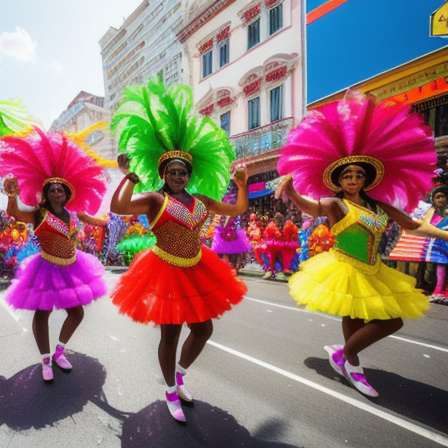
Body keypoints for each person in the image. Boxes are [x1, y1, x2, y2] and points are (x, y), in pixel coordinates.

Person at [275, 89, 447, 397]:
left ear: (366, 179)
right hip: (345, 267)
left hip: (374, 270)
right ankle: (346, 356)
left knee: (360, 317)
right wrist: (292, 189)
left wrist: (446, 234)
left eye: (358, 175)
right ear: (338, 181)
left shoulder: (379, 206)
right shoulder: (336, 204)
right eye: (347, 175)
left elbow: (412, 224)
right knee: (389, 321)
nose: (352, 179)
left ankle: (347, 359)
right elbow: (310, 207)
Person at [109, 77, 248, 423]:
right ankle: (170, 390)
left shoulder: (200, 199)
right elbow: (119, 208)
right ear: (163, 173)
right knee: (170, 332)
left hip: (198, 266)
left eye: (182, 171)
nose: (177, 175)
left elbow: (235, 210)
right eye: (171, 170)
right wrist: (128, 177)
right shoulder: (156, 199)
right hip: (166, 268)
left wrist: (242, 186)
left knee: (203, 329)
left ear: (189, 173)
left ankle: (180, 374)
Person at [0, 127, 108, 382]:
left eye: (61, 189)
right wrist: (12, 196)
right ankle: (45, 359)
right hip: (45, 267)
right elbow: (15, 214)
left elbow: (97, 222)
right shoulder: (39, 213)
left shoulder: (73, 215)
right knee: (43, 313)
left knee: (77, 313)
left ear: (67, 193)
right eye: (52, 189)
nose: (57, 192)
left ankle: (60, 351)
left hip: (72, 266)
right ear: (46, 193)